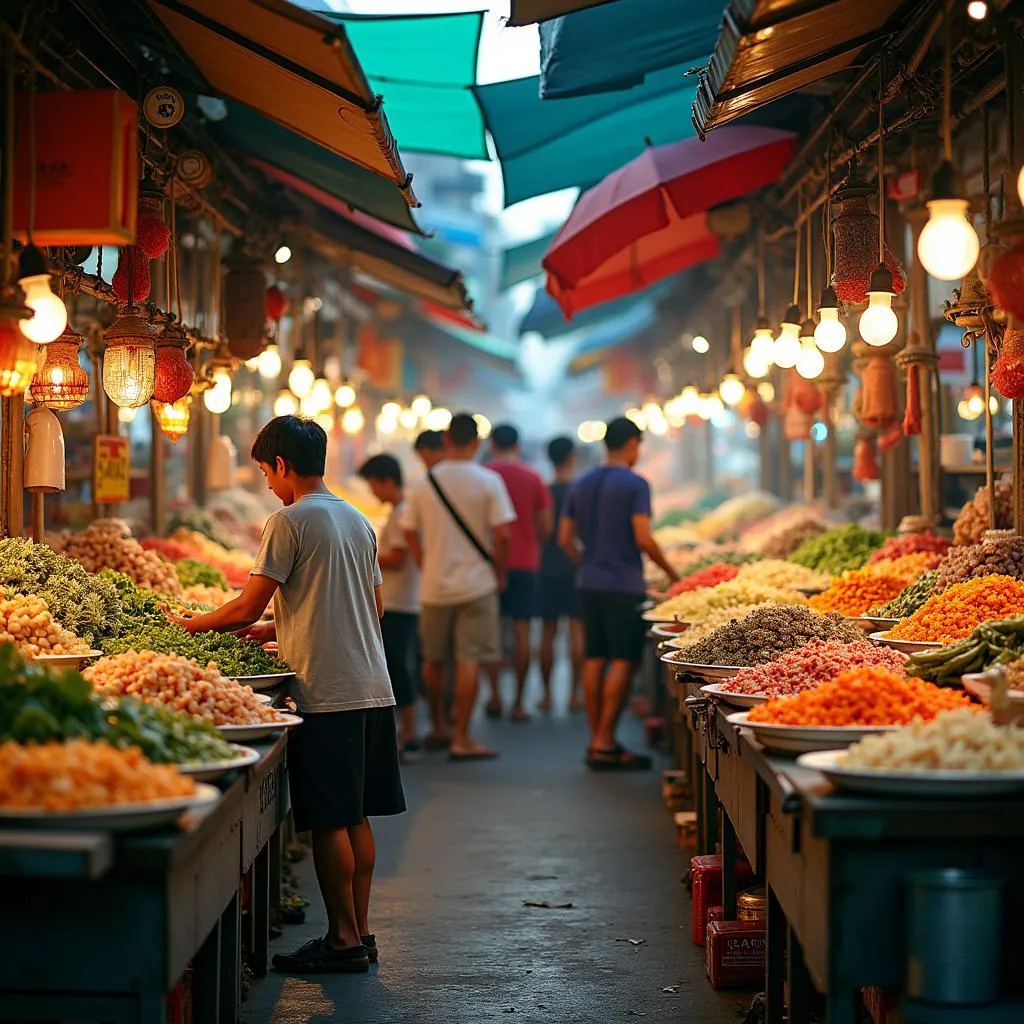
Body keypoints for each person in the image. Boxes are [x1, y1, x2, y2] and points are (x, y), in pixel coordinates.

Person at [165, 416, 404, 974]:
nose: (268, 485)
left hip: (328, 693)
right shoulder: (356, 519)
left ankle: (342, 940)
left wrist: (191, 626)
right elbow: (370, 610)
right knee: (358, 817)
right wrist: (280, 629)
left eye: (267, 472)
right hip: (373, 687)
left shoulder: (289, 521)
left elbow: (246, 604)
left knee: (328, 820)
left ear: (281, 465)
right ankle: (361, 931)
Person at [559, 416, 679, 771]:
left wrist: (588, 562)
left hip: (589, 583)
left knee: (595, 657)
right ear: (631, 444)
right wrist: (674, 575)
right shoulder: (635, 484)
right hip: (623, 584)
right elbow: (642, 536)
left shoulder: (580, 483)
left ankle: (598, 738)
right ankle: (605, 741)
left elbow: (565, 538)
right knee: (623, 660)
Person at [401, 412, 515, 760]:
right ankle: (461, 737)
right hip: (478, 585)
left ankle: (437, 725)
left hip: (434, 587)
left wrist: (424, 562)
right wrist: (499, 570)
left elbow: (408, 531)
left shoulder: (423, 483)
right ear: (477, 443)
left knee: (433, 661)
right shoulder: (488, 480)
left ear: (447, 440)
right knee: (469, 660)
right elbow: (504, 534)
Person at [482, 424, 552, 722]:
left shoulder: (483, 476)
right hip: (526, 563)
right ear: (518, 444)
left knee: (493, 632)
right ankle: (520, 701)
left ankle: (495, 695)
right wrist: (532, 543)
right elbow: (546, 525)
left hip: (488, 563)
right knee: (523, 631)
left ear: (491, 443)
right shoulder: (533, 477)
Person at [358, 453, 421, 760]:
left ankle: (408, 734)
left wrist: (360, 554)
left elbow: (398, 558)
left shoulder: (402, 512)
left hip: (399, 601)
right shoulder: (399, 510)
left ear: (386, 481)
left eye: (373, 485)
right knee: (395, 663)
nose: (372, 492)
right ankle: (405, 731)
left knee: (396, 665)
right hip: (398, 599)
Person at [539, 436, 585, 713]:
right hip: (575, 564)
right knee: (577, 630)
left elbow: (541, 530)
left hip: (547, 565)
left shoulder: (545, 491)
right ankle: (574, 694)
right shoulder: (580, 490)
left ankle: (545, 695)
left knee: (548, 631)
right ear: (572, 456)